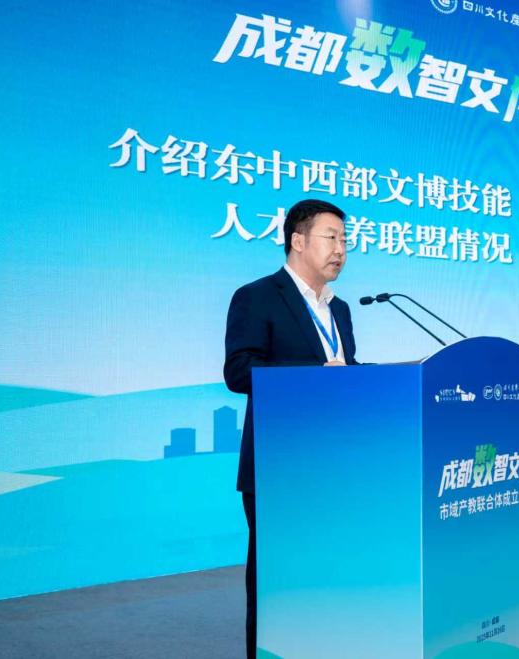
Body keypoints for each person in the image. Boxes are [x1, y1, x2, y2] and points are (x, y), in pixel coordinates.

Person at [223, 198, 358, 657]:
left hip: (335, 469)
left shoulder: (340, 310)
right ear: (298, 241)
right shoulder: (257, 296)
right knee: (276, 586)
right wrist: (316, 375)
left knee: (327, 579)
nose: (341, 249)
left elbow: (345, 375)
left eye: (345, 240)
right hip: (279, 467)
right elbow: (239, 371)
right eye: (331, 238)